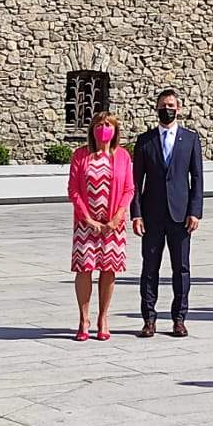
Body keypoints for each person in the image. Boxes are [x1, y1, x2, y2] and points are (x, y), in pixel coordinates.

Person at [131, 88, 204, 337]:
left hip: (180, 215)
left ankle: (179, 318)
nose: (167, 108)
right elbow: (135, 182)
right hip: (152, 215)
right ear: (157, 108)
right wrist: (136, 214)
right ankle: (149, 318)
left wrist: (195, 211)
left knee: (181, 268)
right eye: (163, 105)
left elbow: (197, 178)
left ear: (179, 108)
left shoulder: (191, 139)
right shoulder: (145, 141)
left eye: (171, 105)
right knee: (150, 268)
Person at [69, 112, 136, 340]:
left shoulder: (123, 157)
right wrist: (87, 218)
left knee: (108, 270)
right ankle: (84, 318)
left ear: (115, 130)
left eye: (108, 125)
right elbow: (74, 189)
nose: (103, 128)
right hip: (86, 223)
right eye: (99, 124)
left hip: (112, 225)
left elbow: (129, 189)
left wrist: (118, 216)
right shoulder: (80, 155)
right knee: (84, 269)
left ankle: (103, 317)